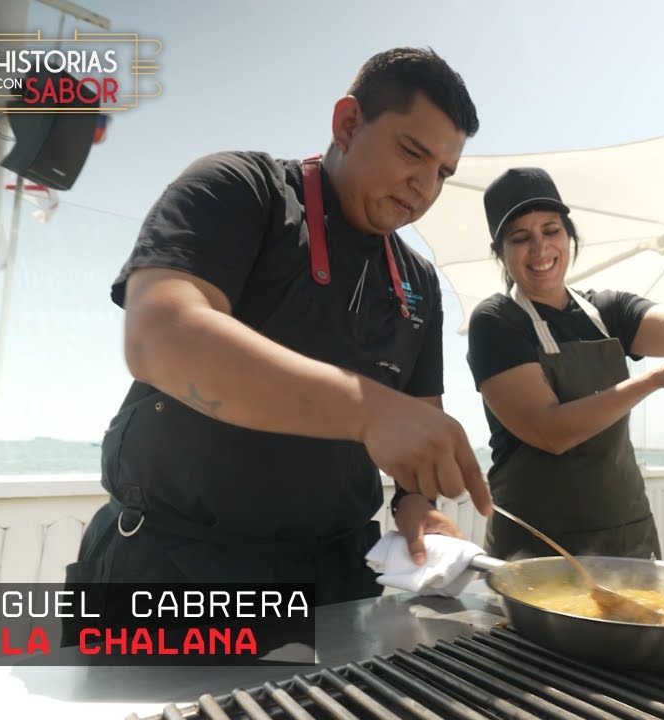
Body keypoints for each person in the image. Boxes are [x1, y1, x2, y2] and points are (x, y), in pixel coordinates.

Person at [64, 48, 492, 615]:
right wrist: (368, 410)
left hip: (336, 578)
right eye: (412, 152)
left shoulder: (417, 282)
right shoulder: (241, 188)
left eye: (442, 173)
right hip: (175, 567)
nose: (424, 186)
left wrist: (419, 510)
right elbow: (159, 336)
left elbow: (414, 438)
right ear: (347, 123)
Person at [466, 167, 664, 560]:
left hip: (627, 535)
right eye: (520, 238)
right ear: (499, 252)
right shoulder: (496, 321)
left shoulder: (607, 310)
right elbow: (550, 430)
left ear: (569, 235)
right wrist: (655, 379)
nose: (540, 249)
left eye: (551, 230)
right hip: (538, 546)